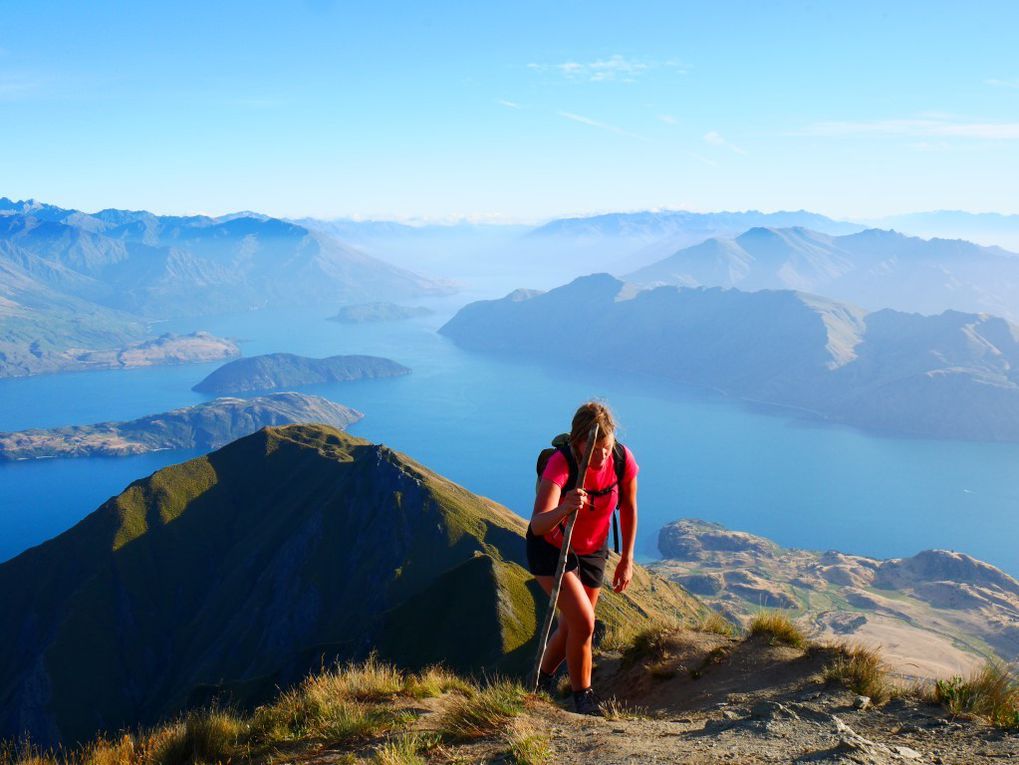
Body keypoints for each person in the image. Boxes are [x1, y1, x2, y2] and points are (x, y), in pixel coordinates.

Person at [526, 401, 639, 715]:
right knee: (585, 623)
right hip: (551, 549)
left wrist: (626, 559)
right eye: (594, 448)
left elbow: (628, 508)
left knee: (571, 627)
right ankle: (583, 699)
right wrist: (565, 507)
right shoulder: (560, 464)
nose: (602, 455)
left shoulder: (621, 460)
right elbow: (537, 524)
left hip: (592, 550)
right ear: (577, 442)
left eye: (607, 446)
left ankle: (540, 682)